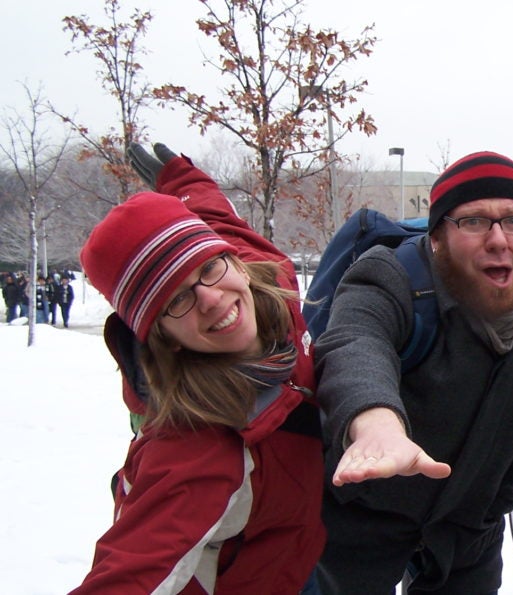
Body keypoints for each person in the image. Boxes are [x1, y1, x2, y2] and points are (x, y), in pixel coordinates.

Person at [314, 151, 513, 594]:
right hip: (362, 515)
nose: (498, 239)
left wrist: (490, 503)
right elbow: (355, 342)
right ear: (437, 238)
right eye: (473, 221)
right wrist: (376, 423)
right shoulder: (391, 276)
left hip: (467, 529)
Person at [72, 144, 325, 594]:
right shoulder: (198, 448)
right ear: (163, 336)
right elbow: (128, 573)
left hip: (304, 549)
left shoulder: (269, 282)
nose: (212, 298)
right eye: (177, 299)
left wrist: (183, 180)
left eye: (208, 266)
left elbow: (220, 219)